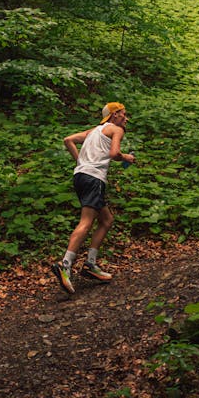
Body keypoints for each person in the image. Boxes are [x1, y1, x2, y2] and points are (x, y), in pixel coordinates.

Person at [52, 102, 136, 294]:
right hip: (94, 178)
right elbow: (114, 153)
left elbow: (68, 140)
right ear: (114, 115)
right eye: (123, 114)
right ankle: (65, 265)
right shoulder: (116, 130)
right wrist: (126, 158)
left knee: (106, 220)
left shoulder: (94, 131)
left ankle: (90, 264)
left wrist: (80, 161)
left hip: (80, 176)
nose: (125, 118)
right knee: (86, 222)